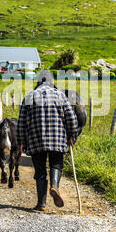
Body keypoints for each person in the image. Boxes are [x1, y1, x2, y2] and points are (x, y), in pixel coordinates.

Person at [17, 71, 78, 211]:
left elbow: (21, 123)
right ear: (52, 82)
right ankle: (54, 186)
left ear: (38, 82)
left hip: (36, 139)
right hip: (58, 139)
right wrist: (72, 135)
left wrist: (21, 141)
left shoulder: (29, 97)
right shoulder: (60, 95)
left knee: (40, 171)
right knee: (56, 165)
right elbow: (72, 118)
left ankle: (41, 204)